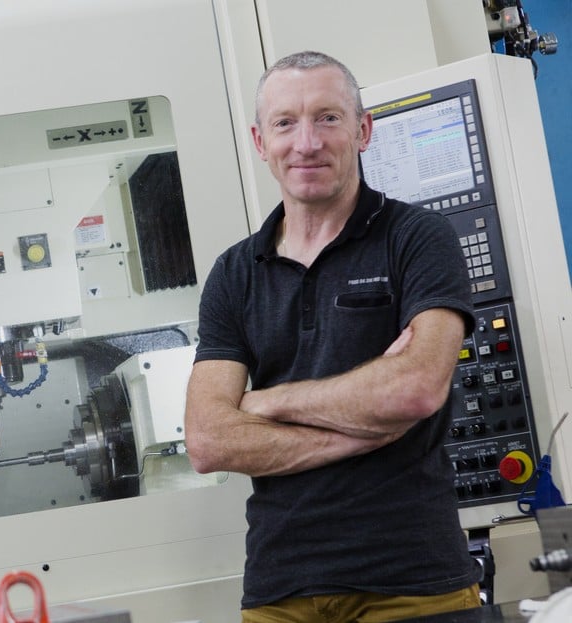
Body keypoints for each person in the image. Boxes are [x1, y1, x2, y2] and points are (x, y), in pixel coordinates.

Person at [183, 51, 481, 622]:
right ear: (259, 140)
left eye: (328, 118)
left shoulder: (419, 240)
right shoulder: (235, 274)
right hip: (280, 587)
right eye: (285, 123)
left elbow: (414, 391)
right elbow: (209, 440)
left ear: (363, 129)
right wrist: (362, 434)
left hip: (413, 581)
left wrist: (267, 403)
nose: (307, 143)